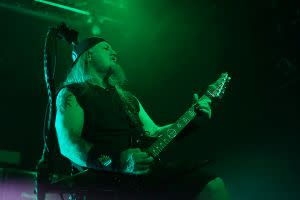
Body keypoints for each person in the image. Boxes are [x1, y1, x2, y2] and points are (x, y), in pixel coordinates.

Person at [54, 37, 230, 199]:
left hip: (146, 176)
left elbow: (154, 132)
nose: (114, 53)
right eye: (106, 48)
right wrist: (117, 161)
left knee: (213, 187)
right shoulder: (71, 94)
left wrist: (193, 118)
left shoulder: (129, 99)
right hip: (106, 183)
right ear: (88, 55)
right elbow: (68, 144)